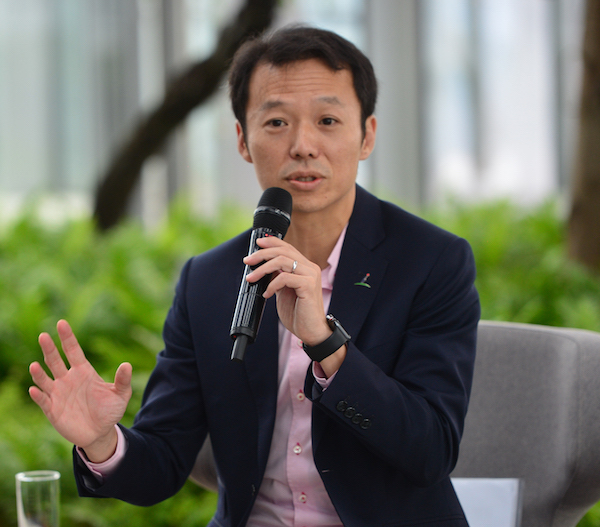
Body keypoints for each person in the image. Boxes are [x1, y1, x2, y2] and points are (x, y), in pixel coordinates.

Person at [29, 26, 480, 527]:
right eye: (277, 122)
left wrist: (326, 344)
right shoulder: (208, 280)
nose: (303, 145)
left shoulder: (431, 261)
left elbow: (431, 450)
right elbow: (162, 463)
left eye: (328, 120)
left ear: (367, 135)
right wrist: (102, 441)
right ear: (243, 140)